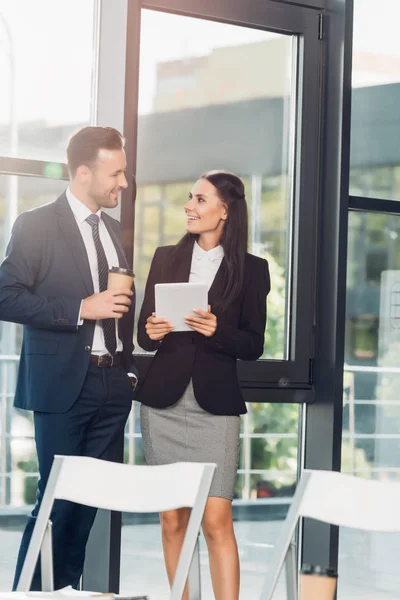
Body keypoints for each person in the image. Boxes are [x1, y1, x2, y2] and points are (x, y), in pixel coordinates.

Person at [0, 126, 138, 590]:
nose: (124, 182)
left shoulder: (113, 228)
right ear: (83, 172)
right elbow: (6, 297)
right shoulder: (36, 224)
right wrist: (81, 308)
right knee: (57, 502)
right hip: (62, 386)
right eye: (116, 173)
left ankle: (64, 593)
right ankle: (30, 596)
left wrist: (128, 366)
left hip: (111, 385)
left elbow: (117, 305)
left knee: (87, 506)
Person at [137, 170, 271, 600]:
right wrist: (153, 331)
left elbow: (253, 344)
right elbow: (143, 333)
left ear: (225, 211)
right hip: (163, 404)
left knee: (216, 520)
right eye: (190, 198)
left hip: (215, 407)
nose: (189, 207)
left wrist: (217, 330)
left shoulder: (252, 270)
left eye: (199, 199)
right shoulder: (165, 257)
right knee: (172, 519)